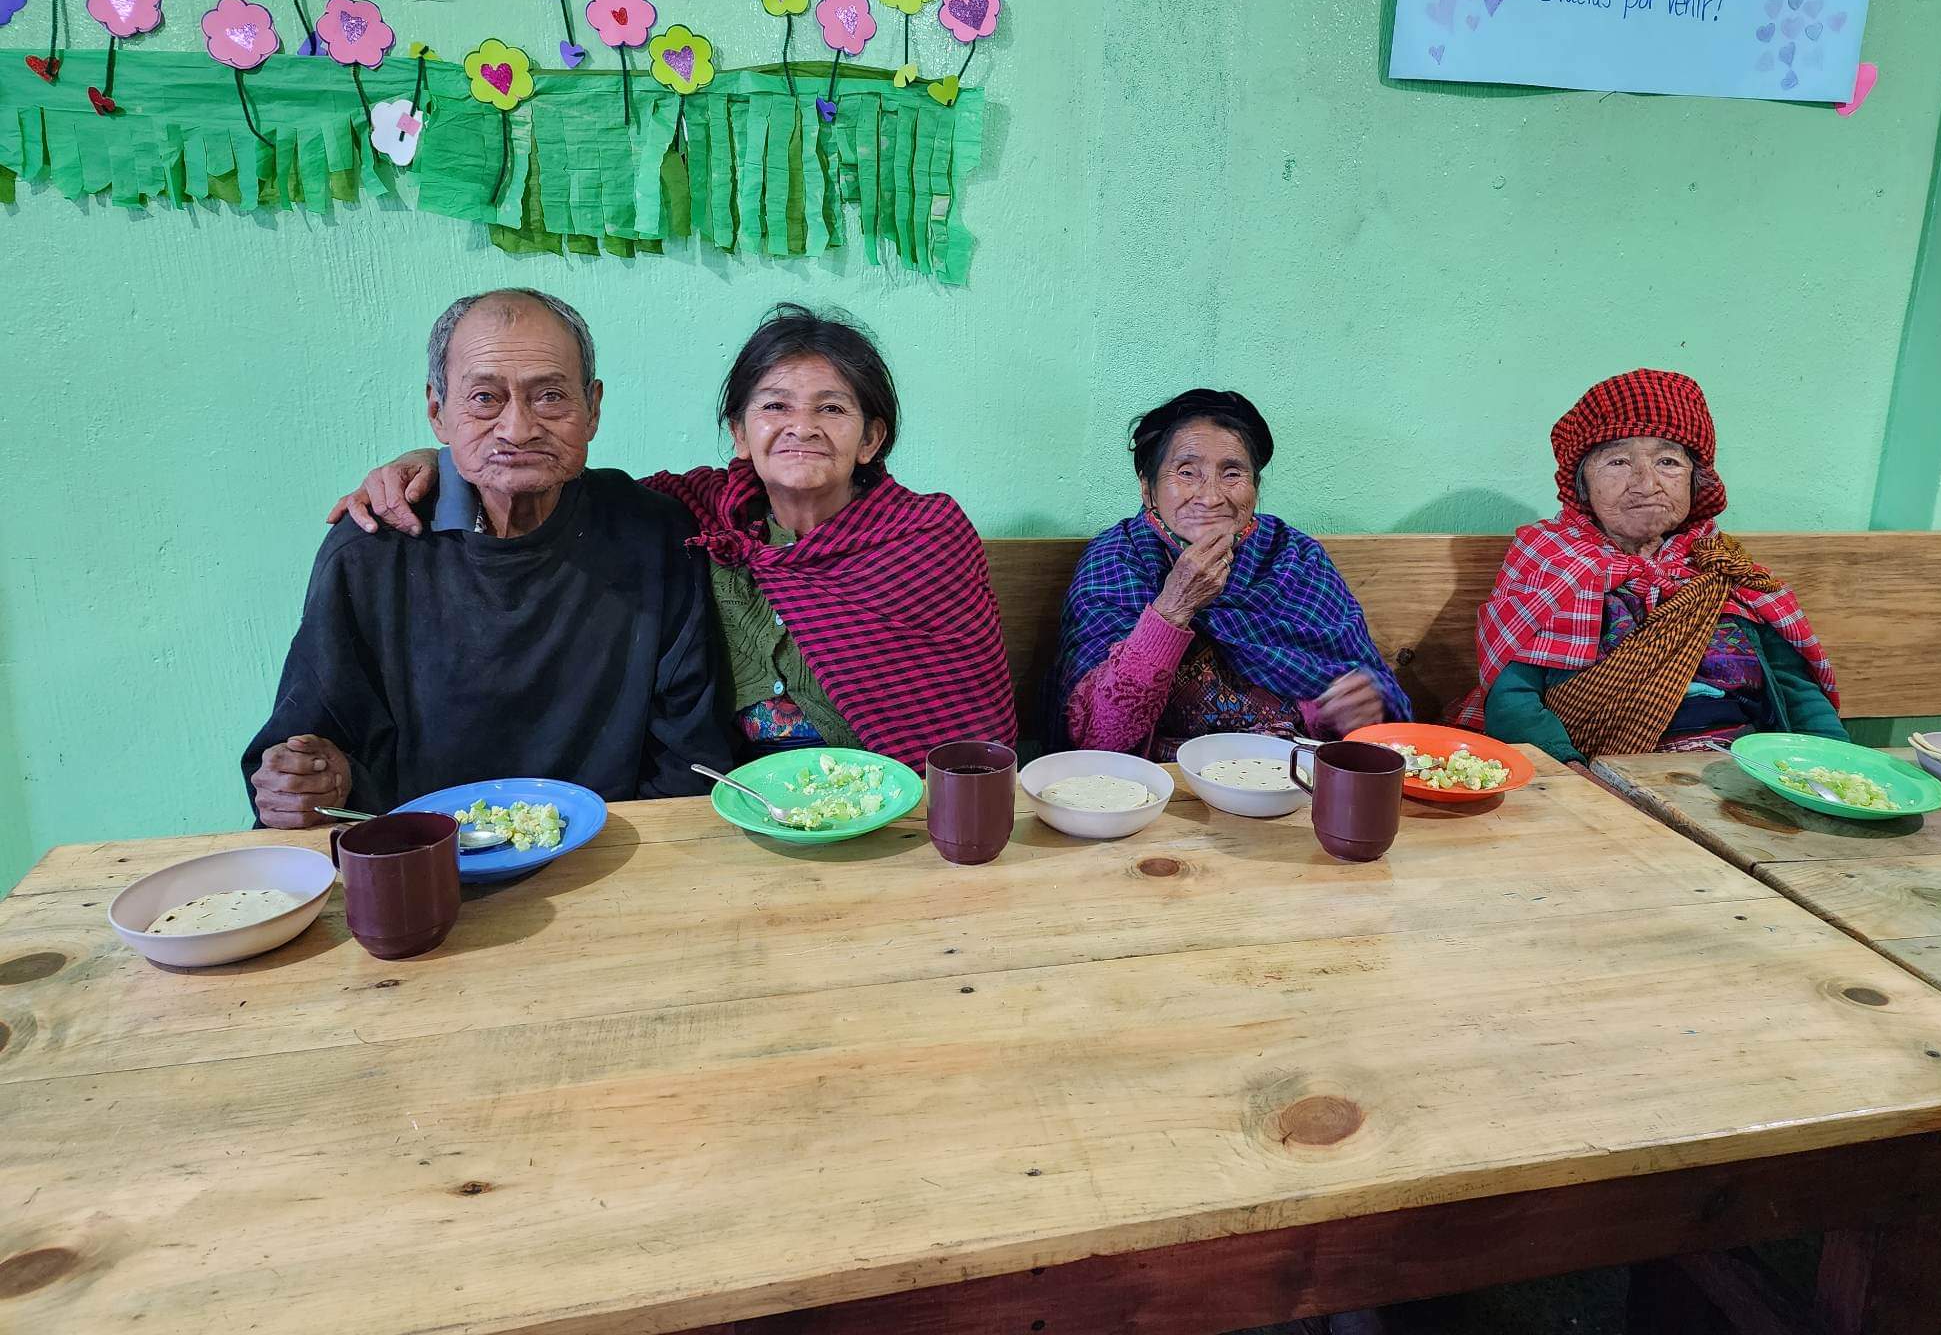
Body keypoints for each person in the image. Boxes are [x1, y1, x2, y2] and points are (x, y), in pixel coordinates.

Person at [328, 303, 1016, 767]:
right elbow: (565, 484)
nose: (801, 427)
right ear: (739, 434)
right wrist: (438, 462)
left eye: (832, 409)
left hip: (899, 805)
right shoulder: (707, 512)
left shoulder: (927, 533)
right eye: (774, 406)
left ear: (871, 438)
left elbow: (963, 724)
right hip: (746, 809)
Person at [245, 289, 727, 827]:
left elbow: (691, 760)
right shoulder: (372, 549)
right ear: (438, 412)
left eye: (549, 396)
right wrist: (307, 782)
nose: (518, 429)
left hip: (612, 857)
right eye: (484, 398)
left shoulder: (655, 533)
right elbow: (306, 757)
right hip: (426, 866)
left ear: (592, 408)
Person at [1454, 368, 1846, 772]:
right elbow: (1512, 696)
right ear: (1582, 485)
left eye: (1668, 461)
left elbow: (1796, 692)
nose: (1646, 483)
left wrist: (1838, 767)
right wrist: (1573, 773)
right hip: (1597, 774)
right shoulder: (1550, 560)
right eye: (1619, 461)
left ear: (1696, 481)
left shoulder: (1723, 568)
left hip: (1744, 770)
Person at [1048, 389, 1411, 761]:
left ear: (1254, 487)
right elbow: (1096, 737)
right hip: (1164, 784)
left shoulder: (1294, 557)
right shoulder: (1118, 558)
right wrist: (1172, 607)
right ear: (1148, 487)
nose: (1211, 497)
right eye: (1187, 472)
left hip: (1293, 774)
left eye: (1232, 473)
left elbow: (1370, 690)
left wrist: (1348, 709)